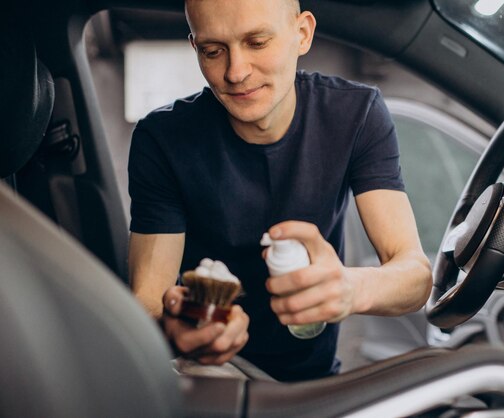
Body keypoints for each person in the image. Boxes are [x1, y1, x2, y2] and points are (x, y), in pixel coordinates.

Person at [128, 0, 432, 382]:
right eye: (212, 51)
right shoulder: (163, 140)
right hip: (204, 380)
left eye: (256, 42)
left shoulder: (356, 115)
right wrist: (177, 331)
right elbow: (148, 305)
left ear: (302, 33)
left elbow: (414, 276)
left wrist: (350, 288)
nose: (235, 72)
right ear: (195, 48)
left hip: (313, 378)